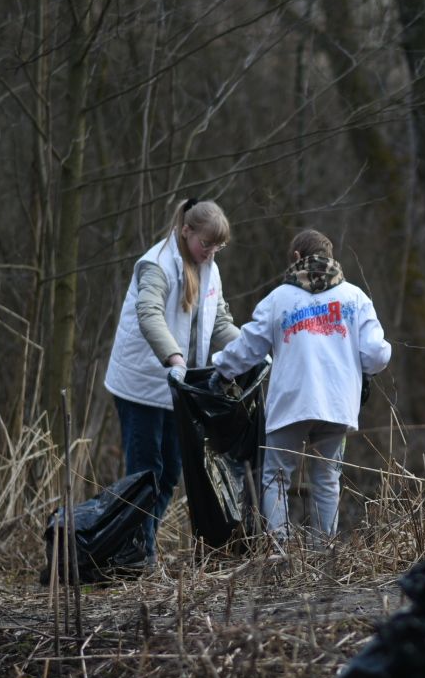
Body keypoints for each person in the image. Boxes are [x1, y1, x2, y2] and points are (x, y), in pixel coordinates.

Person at [211, 229, 391, 543]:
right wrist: (362, 372)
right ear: (331, 257)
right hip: (336, 404)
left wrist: (222, 371)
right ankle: (323, 555)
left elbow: (247, 349)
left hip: (291, 402)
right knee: (326, 480)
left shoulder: (279, 300)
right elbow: (376, 353)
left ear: (296, 258)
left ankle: (279, 552)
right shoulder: (355, 297)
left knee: (276, 476)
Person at [102, 199, 240, 561]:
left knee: (170, 474)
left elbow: (219, 321)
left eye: (218, 247)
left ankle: (136, 544)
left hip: (180, 388)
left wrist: (249, 349)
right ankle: (137, 553)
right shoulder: (156, 264)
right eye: (205, 244)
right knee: (146, 472)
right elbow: (148, 314)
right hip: (143, 385)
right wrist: (174, 358)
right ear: (186, 231)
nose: (210, 252)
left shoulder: (209, 268)